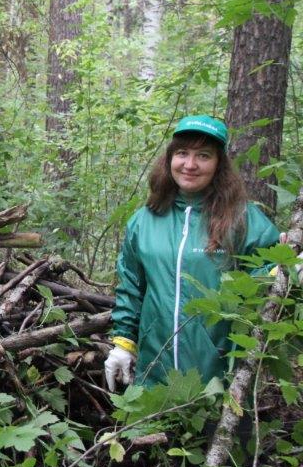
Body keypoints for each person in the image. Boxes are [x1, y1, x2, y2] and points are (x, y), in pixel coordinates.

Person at [105, 115, 279, 391]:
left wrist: (283, 271)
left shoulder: (242, 218)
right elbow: (131, 287)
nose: (190, 164)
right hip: (154, 378)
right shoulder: (145, 220)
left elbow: (269, 269)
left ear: (218, 164)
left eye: (203, 155)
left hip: (220, 379)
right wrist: (124, 343)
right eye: (182, 153)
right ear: (169, 159)